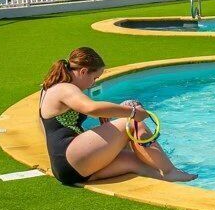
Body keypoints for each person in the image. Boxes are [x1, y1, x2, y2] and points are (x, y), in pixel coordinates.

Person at [39, 47, 194, 186]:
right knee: (132, 123)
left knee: (137, 162)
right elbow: (91, 108)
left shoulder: (50, 88)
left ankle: (176, 178)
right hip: (70, 159)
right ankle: (170, 171)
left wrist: (104, 130)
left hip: (67, 168)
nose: (93, 84)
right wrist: (133, 112)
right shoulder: (64, 88)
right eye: (94, 78)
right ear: (83, 71)